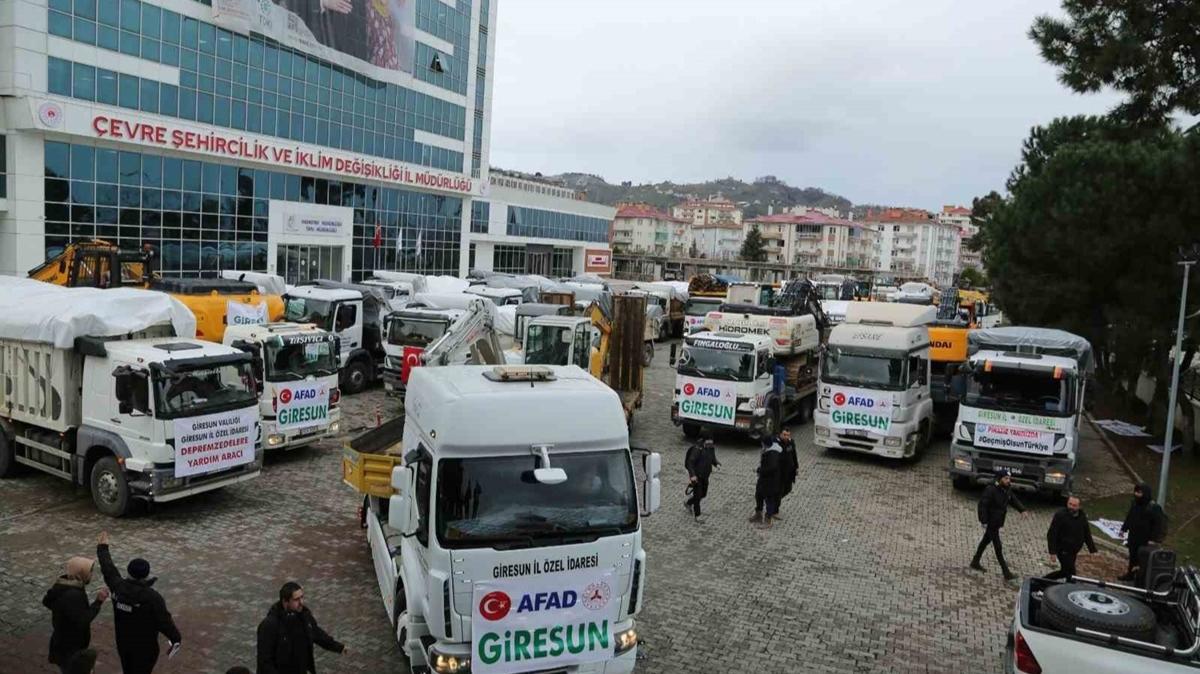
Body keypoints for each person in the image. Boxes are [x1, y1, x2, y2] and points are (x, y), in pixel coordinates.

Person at [96, 531, 182, 674]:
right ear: (146, 575)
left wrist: (102, 547)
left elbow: (108, 568)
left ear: (128, 571)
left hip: (123, 642)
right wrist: (175, 639)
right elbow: (164, 622)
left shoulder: (118, 587)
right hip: (145, 647)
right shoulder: (153, 598)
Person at [257, 581, 347, 674]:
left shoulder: (304, 616)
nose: (301, 602)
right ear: (285, 602)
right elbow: (265, 662)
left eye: (302, 597)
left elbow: (316, 633)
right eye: (296, 599)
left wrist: (338, 647)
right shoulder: (269, 625)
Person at [43, 556, 109, 673]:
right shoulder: (73, 595)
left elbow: (47, 601)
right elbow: (83, 620)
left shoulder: (63, 585)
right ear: (80, 573)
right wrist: (98, 601)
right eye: (89, 572)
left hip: (61, 642)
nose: (91, 575)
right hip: (71, 646)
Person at [970, 470, 1028, 581]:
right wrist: (984, 521)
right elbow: (983, 505)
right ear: (1000, 478)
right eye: (1006, 478)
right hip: (991, 522)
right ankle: (1006, 572)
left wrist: (1022, 510)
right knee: (998, 547)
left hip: (997, 522)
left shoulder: (1006, 489)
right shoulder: (991, 490)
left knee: (985, 541)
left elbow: (1013, 500)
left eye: (1009, 479)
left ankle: (975, 561)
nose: (1008, 481)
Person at [1119, 482, 1168, 581]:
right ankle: (1131, 574)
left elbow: (1159, 525)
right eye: (1136, 492)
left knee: (1143, 559)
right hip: (1134, 536)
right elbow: (1130, 516)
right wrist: (1124, 528)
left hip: (1146, 539)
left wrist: (1154, 539)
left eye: (1139, 492)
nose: (1137, 494)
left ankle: (1141, 578)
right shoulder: (1135, 503)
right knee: (1133, 556)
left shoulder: (1153, 507)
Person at [1045, 495, 1097, 580]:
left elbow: (1086, 533)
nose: (1071, 507)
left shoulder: (1082, 516)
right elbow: (1052, 534)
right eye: (1070, 504)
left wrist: (1092, 549)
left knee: (1065, 572)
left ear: (1079, 506)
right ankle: (1044, 581)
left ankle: (1044, 580)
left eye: (1074, 505)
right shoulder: (1060, 515)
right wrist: (1052, 552)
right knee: (1071, 573)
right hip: (1063, 550)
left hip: (1073, 551)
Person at [748, 436, 785, 528]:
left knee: (769, 499)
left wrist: (760, 470)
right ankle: (758, 514)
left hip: (771, 481)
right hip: (763, 479)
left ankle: (768, 519)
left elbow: (772, 468)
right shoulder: (767, 451)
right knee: (759, 495)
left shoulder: (773, 454)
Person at [684, 436, 720, 522]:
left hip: (705, 475)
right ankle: (697, 515)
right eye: (709, 443)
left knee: (703, 494)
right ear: (704, 442)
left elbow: (712, 458)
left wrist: (716, 464)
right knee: (697, 495)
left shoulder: (710, 448)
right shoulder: (697, 449)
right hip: (697, 476)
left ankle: (688, 503)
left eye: (712, 443)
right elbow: (690, 462)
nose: (710, 445)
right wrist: (692, 475)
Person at [777, 429, 799, 511]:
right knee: (779, 490)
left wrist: (796, 467)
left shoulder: (791, 442)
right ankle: (774, 509)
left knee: (788, 489)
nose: (786, 437)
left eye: (788, 435)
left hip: (789, 471)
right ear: (780, 434)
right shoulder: (777, 444)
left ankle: (774, 501)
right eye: (784, 435)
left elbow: (794, 455)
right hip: (780, 472)